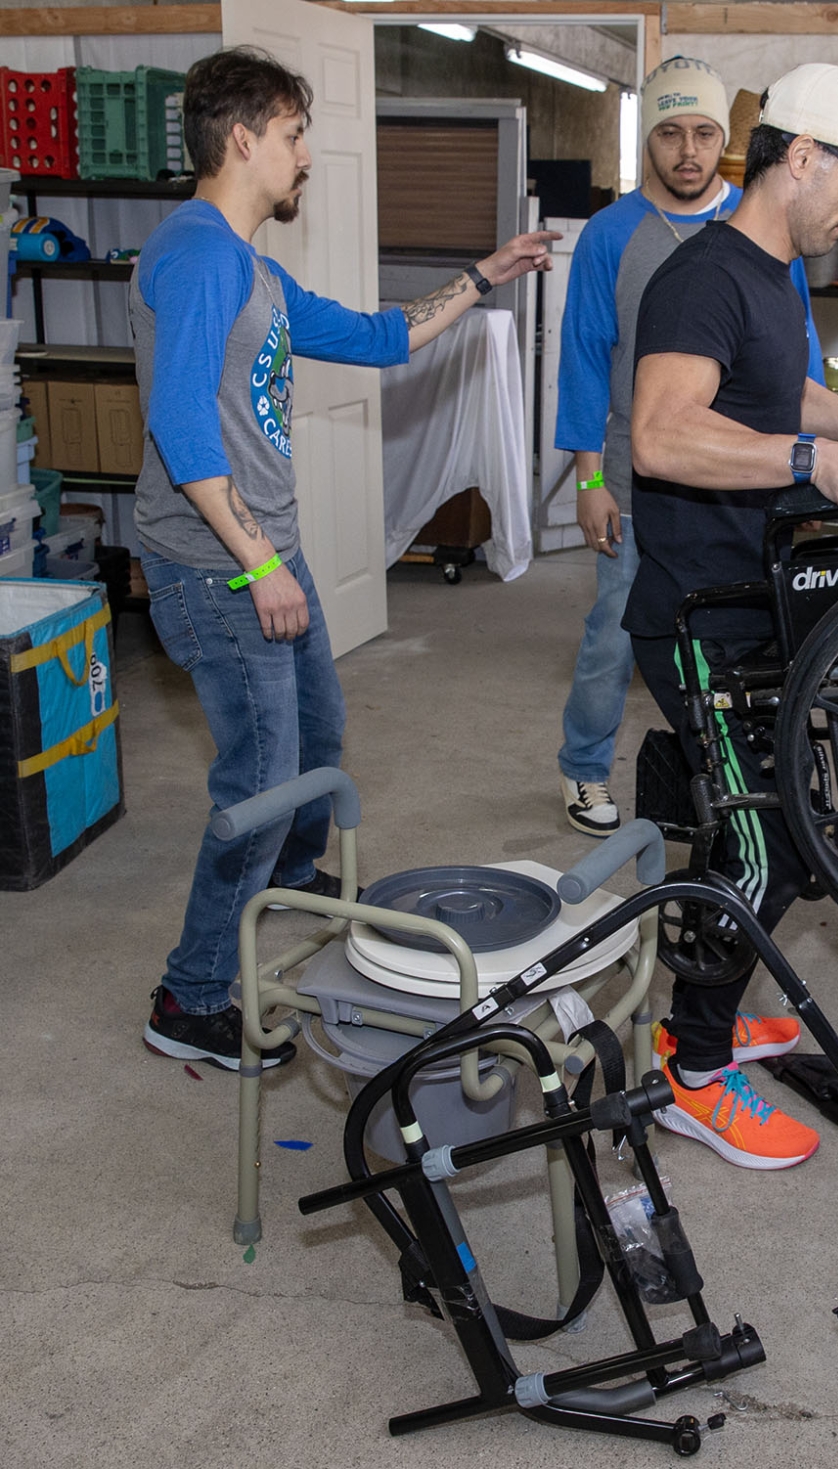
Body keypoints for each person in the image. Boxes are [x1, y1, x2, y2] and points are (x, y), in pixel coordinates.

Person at [137, 47, 557, 1070]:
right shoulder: (196, 253)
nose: (307, 156)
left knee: (319, 732)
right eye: (292, 135)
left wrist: (482, 277)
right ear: (243, 139)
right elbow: (184, 425)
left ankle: (293, 877)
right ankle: (189, 994)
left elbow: (379, 338)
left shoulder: (255, 270)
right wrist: (258, 564)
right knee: (263, 772)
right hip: (217, 563)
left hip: (264, 552)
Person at [624, 62, 838, 1169]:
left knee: (776, 831)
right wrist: (816, 458)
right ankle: (691, 1076)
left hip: (752, 606)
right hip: (696, 623)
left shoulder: (769, 276)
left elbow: (774, 389)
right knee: (765, 851)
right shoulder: (702, 274)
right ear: (800, 155)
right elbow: (662, 435)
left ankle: (695, 1017)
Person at [554, 55, 827, 838]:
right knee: (616, 630)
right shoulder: (612, 234)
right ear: (649, 141)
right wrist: (588, 481)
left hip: (736, 477)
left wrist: (806, 460)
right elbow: (584, 359)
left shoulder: (764, 222)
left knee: (737, 638)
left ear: (725, 141)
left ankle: (720, 770)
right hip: (636, 476)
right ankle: (582, 765)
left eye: (704, 133)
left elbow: (795, 356)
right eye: (670, 133)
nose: (687, 150)